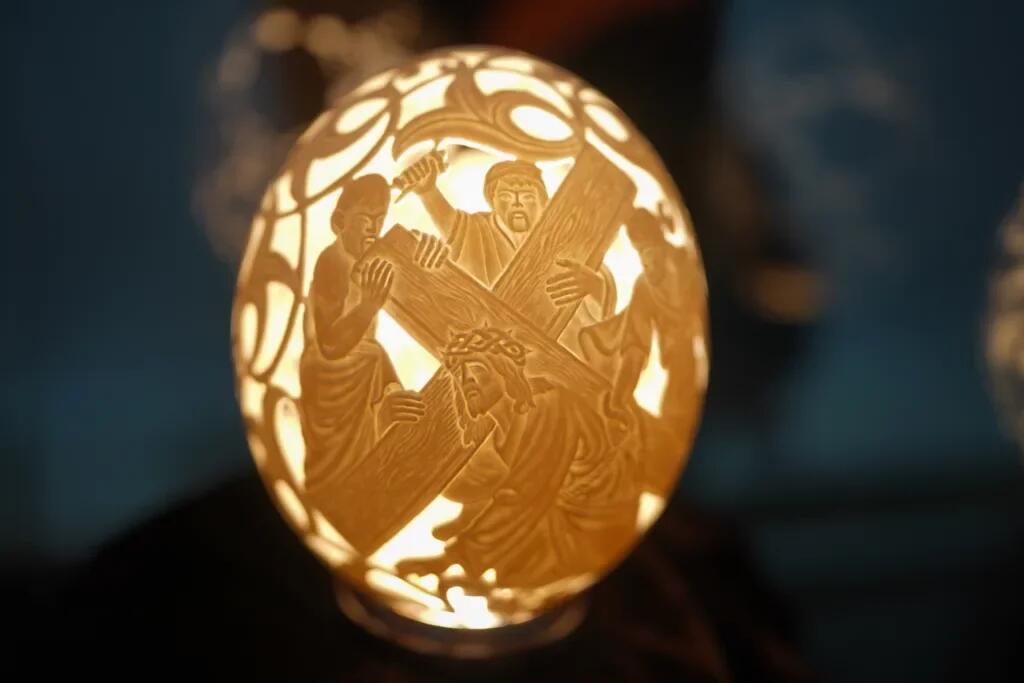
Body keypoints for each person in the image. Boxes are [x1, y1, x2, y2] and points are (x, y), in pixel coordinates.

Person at [396, 326, 639, 591]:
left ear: (506, 373)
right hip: (552, 518)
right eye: (460, 376)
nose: (468, 381)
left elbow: (524, 494)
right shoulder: (499, 432)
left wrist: (449, 559)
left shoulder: (549, 405)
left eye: (478, 371)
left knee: (521, 577)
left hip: (596, 525)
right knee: (511, 571)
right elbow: (496, 490)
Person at [299, 173, 445, 491]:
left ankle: (394, 440)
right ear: (339, 222)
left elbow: (420, 282)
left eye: (380, 219)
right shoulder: (331, 263)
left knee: (379, 365)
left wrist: (430, 251)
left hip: (365, 366)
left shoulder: (373, 258)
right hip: (330, 381)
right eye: (365, 219)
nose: (373, 229)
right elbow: (330, 345)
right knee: (373, 358)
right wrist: (367, 306)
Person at [398, 154, 615, 323]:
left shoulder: (564, 237)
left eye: (527, 197)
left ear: (544, 203)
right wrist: (428, 191)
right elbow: (450, 224)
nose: (517, 204)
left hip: (570, 350)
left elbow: (602, 291)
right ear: (492, 202)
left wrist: (594, 286)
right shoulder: (478, 231)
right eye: (506, 196)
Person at [580, 207, 703, 490]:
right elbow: (635, 346)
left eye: (652, 251)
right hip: (675, 363)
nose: (647, 261)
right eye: (640, 252)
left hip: (695, 365)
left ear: (664, 244)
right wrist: (619, 397)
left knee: (681, 431)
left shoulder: (686, 263)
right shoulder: (644, 288)